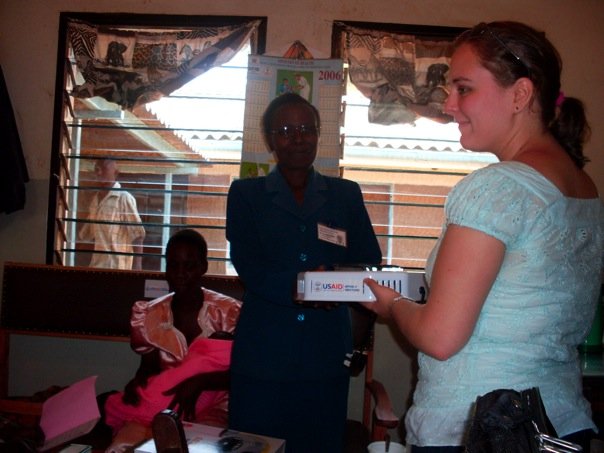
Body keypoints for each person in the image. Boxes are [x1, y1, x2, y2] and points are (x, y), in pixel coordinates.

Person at [362, 21, 604, 452]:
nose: (448, 103)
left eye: (464, 88)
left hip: (481, 430)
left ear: (521, 95)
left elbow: (440, 337)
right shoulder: (584, 187)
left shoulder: (497, 187)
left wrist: (393, 304)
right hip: (560, 426)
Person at [226, 92, 382, 453]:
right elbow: (249, 265)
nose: (298, 138)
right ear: (270, 140)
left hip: (324, 356)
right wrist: (306, 286)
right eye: (285, 130)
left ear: (318, 134)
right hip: (263, 357)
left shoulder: (345, 194)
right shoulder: (246, 194)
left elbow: (367, 262)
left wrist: (336, 281)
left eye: (306, 129)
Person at [103, 229, 242, 453]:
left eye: (189, 266)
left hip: (216, 405)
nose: (180, 273)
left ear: (203, 267)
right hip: (165, 405)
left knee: (196, 447)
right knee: (122, 446)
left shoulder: (229, 312)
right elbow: (148, 369)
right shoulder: (150, 314)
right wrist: (137, 383)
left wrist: (201, 382)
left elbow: (243, 373)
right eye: (173, 265)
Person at [79, 158, 145, 270]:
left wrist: (137, 268)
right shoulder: (95, 200)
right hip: (96, 268)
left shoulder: (124, 198)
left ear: (115, 173)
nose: (99, 172)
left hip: (117, 270)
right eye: (97, 169)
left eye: (104, 169)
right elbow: (86, 235)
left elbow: (138, 236)